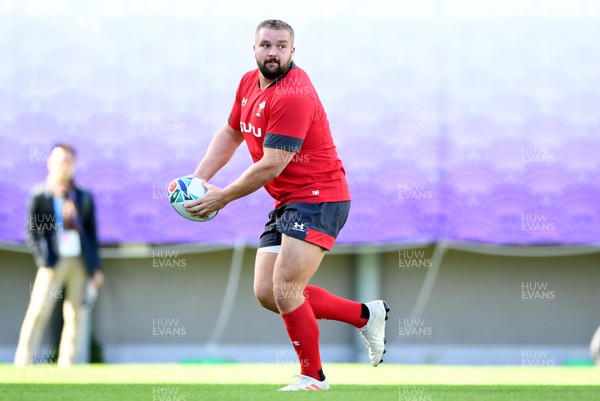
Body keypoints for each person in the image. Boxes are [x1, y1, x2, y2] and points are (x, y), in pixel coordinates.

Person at [185, 19, 389, 391]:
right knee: (268, 292)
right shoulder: (248, 82)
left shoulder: (293, 95)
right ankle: (364, 315)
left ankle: (313, 376)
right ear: (254, 48)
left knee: (287, 288)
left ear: (292, 51)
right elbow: (232, 133)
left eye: (281, 46)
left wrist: (222, 196)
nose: (273, 52)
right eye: (266, 45)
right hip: (289, 200)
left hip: (320, 196)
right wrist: (197, 182)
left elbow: (272, 162)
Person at [14, 143, 104, 368]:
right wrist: (43, 258)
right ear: (50, 162)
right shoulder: (40, 195)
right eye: (60, 160)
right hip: (53, 260)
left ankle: (69, 363)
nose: (64, 165)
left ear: (74, 164)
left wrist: (95, 268)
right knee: (39, 310)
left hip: (79, 261)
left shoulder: (82, 196)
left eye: (68, 160)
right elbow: (31, 232)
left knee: (75, 314)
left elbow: (92, 234)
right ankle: (23, 361)